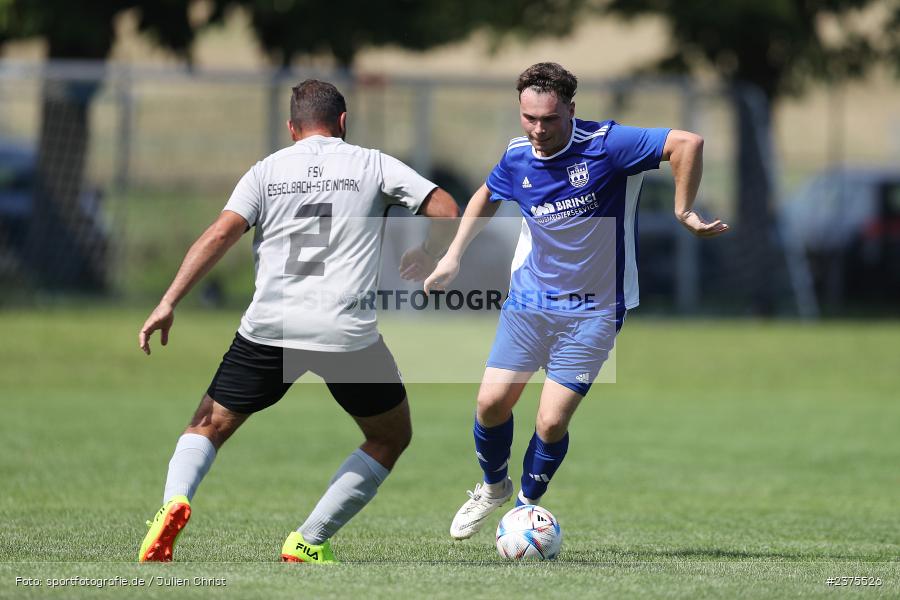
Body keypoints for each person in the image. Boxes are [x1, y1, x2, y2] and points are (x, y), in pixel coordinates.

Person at [136, 79, 459, 562]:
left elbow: (220, 234)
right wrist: (429, 252)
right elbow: (448, 209)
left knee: (207, 428)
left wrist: (168, 301)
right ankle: (308, 540)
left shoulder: (265, 172)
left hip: (271, 327)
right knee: (390, 437)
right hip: (345, 332)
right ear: (343, 123)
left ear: (292, 128)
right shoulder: (371, 163)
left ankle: (174, 502)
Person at [423, 62, 729, 540]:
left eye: (548, 119)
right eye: (528, 118)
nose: (538, 130)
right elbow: (487, 193)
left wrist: (683, 208)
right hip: (529, 301)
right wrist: (453, 255)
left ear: (570, 108)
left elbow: (687, 143)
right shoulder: (519, 156)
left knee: (550, 420)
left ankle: (525, 508)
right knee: (490, 405)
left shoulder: (608, 145)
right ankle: (492, 487)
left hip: (595, 310)